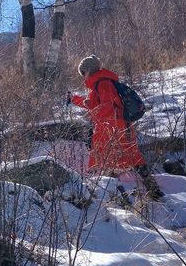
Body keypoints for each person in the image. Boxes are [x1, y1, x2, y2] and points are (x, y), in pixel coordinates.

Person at [68, 55, 164, 199]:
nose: (83, 77)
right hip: (116, 126)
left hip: (113, 128)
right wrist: (73, 99)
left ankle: (108, 198)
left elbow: (107, 107)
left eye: (83, 73)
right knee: (126, 159)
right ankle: (148, 192)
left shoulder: (102, 83)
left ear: (88, 70)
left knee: (103, 161)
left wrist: (95, 117)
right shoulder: (98, 84)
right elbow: (93, 104)